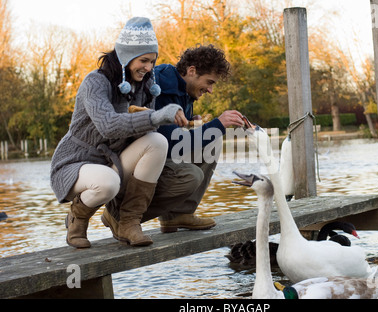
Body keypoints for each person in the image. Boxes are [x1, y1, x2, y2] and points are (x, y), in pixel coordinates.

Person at [50, 17, 187, 249]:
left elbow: (148, 128)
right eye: (143, 60)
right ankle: (78, 217)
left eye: (152, 61)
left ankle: (129, 222)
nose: (148, 68)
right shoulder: (95, 82)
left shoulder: (144, 86)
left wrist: (162, 117)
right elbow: (108, 125)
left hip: (111, 162)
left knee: (157, 141)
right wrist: (156, 116)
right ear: (125, 56)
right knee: (108, 182)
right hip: (74, 164)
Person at [102, 44, 246, 234]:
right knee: (192, 175)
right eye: (209, 82)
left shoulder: (183, 91)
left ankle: (178, 214)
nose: (210, 90)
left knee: (213, 140)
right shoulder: (159, 86)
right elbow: (169, 145)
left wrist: (191, 124)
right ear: (192, 71)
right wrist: (218, 124)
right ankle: (119, 214)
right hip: (131, 168)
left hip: (158, 158)